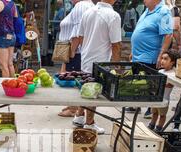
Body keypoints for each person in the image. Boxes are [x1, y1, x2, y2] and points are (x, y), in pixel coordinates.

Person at [72, 0, 121, 134]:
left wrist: (87, 49)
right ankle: (89, 123)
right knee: (92, 93)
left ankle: (79, 116)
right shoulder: (113, 16)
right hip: (100, 61)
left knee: (86, 88)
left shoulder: (87, 12)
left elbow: (80, 37)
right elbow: (116, 45)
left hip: (86, 57)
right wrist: (117, 67)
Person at [126, 0, 173, 115]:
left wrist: (161, 54)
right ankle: (135, 106)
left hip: (149, 56)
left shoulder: (164, 12)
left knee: (150, 84)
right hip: (138, 55)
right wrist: (133, 50)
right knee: (137, 82)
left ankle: (151, 110)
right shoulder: (147, 10)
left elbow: (168, 35)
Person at [57, 0, 94, 118]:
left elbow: (78, 33)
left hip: (76, 51)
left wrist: (72, 51)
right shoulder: (87, 5)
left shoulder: (81, 5)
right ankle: (72, 106)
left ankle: (73, 109)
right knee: (71, 78)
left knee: (70, 80)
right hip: (77, 50)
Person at [147, 49, 179, 132]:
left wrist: (157, 83)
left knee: (162, 115)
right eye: (162, 58)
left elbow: (169, 85)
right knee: (154, 112)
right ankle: (152, 124)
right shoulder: (160, 71)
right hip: (156, 97)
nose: (162, 61)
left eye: (165, 59)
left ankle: (159, 128)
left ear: (172, 62)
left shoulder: (173, 74)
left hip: (164, 99)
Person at [0, 0, 18, 77]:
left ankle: (7, 87)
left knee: (3, 66)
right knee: (10, 64)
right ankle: (14, 85)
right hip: (12, 36)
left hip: (2, 37)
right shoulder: (13, 4)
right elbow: (16, 19)